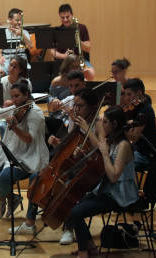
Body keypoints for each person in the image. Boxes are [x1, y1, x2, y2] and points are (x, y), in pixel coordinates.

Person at [16, 89, 99, 244]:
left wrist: (87, 129)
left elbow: (100, 151)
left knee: (67, 187)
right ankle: (29, 223)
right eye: (75, 105)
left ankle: (69, 228)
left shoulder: (98, 123)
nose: (76, 109)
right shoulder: (75, 121)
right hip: (71, 165)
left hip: (86, 170)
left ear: (92, 107)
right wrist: (58, 143)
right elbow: (70, 148)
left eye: (80, 106)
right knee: (37, 177)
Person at [65, 106, 138, 258]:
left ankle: (83, 252)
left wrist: (104, 153)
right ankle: (89, 247)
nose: (101, 125)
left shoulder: (123, 145)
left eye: (105, 122)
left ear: (115, 124)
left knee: (76, 212)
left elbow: (113, 176)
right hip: (105, 191)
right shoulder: (111, 141)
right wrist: (85, 155)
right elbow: (102, 167)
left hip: (119, 195)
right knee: (69, 204)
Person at [0, 83, 48, 221]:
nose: (14, 100)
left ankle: (1, 197)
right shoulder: (15, 109)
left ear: (26, 95)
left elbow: (29, 139)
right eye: (12, 96)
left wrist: (15, 128)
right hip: (11, 153)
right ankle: (12, 197)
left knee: (4, 177)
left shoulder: (36, 113)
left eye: (17, 96)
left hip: (30, 157)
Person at [122, 78, 156, 206]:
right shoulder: (139, 107)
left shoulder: (145, 110)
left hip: (145, 154)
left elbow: (134, 137)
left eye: (129, 94)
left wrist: (121, 126)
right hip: (137, 150)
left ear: (139, 93)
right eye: (125, 94)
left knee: (119, 164)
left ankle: (131, 197)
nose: (126, 98)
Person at [49, 4, 95, 80]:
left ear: (72, 15)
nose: (65, 20)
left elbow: (88, 48)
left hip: (80, 60)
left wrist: (78, 41)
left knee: (91, 73)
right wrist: (64, 56)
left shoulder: (82, 28)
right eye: (62, 17)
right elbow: (52, 52)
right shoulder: (57, 31)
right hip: (64, 62)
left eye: (67, 17)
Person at [0, 8, 33, 77]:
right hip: (7, 61)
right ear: (10, 20)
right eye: (17, 20)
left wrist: (22, 35)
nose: (19, 22)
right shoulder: (3, 33)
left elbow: (31, 47)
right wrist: (0, 57)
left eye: (21, 20)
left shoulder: (25, 32)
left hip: (21, 61)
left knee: (28, 69)